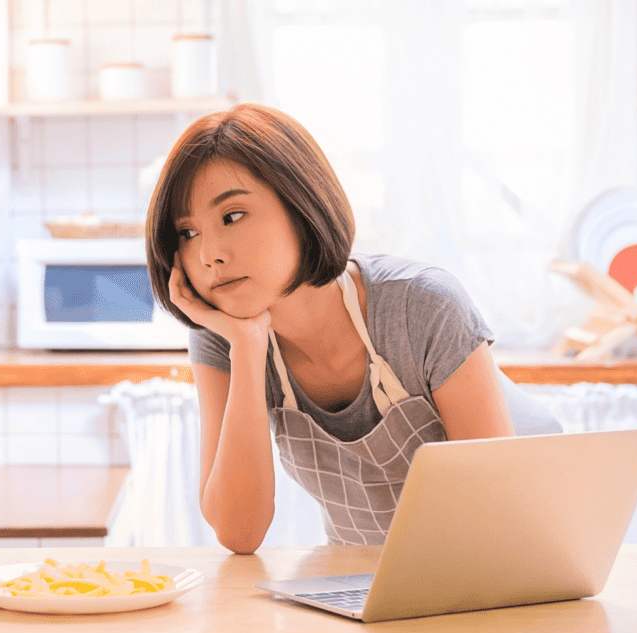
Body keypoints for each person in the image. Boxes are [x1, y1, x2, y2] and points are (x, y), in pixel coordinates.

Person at [145, 103, 560, 554]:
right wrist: (246, 347)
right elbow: (238, 532)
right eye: (187, 233)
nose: (208, 255)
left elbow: (495, 511)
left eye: (232, 216)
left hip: (516, 546)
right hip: (361, 573)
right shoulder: (222, 336)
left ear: (301, 204)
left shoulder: (422, 305)